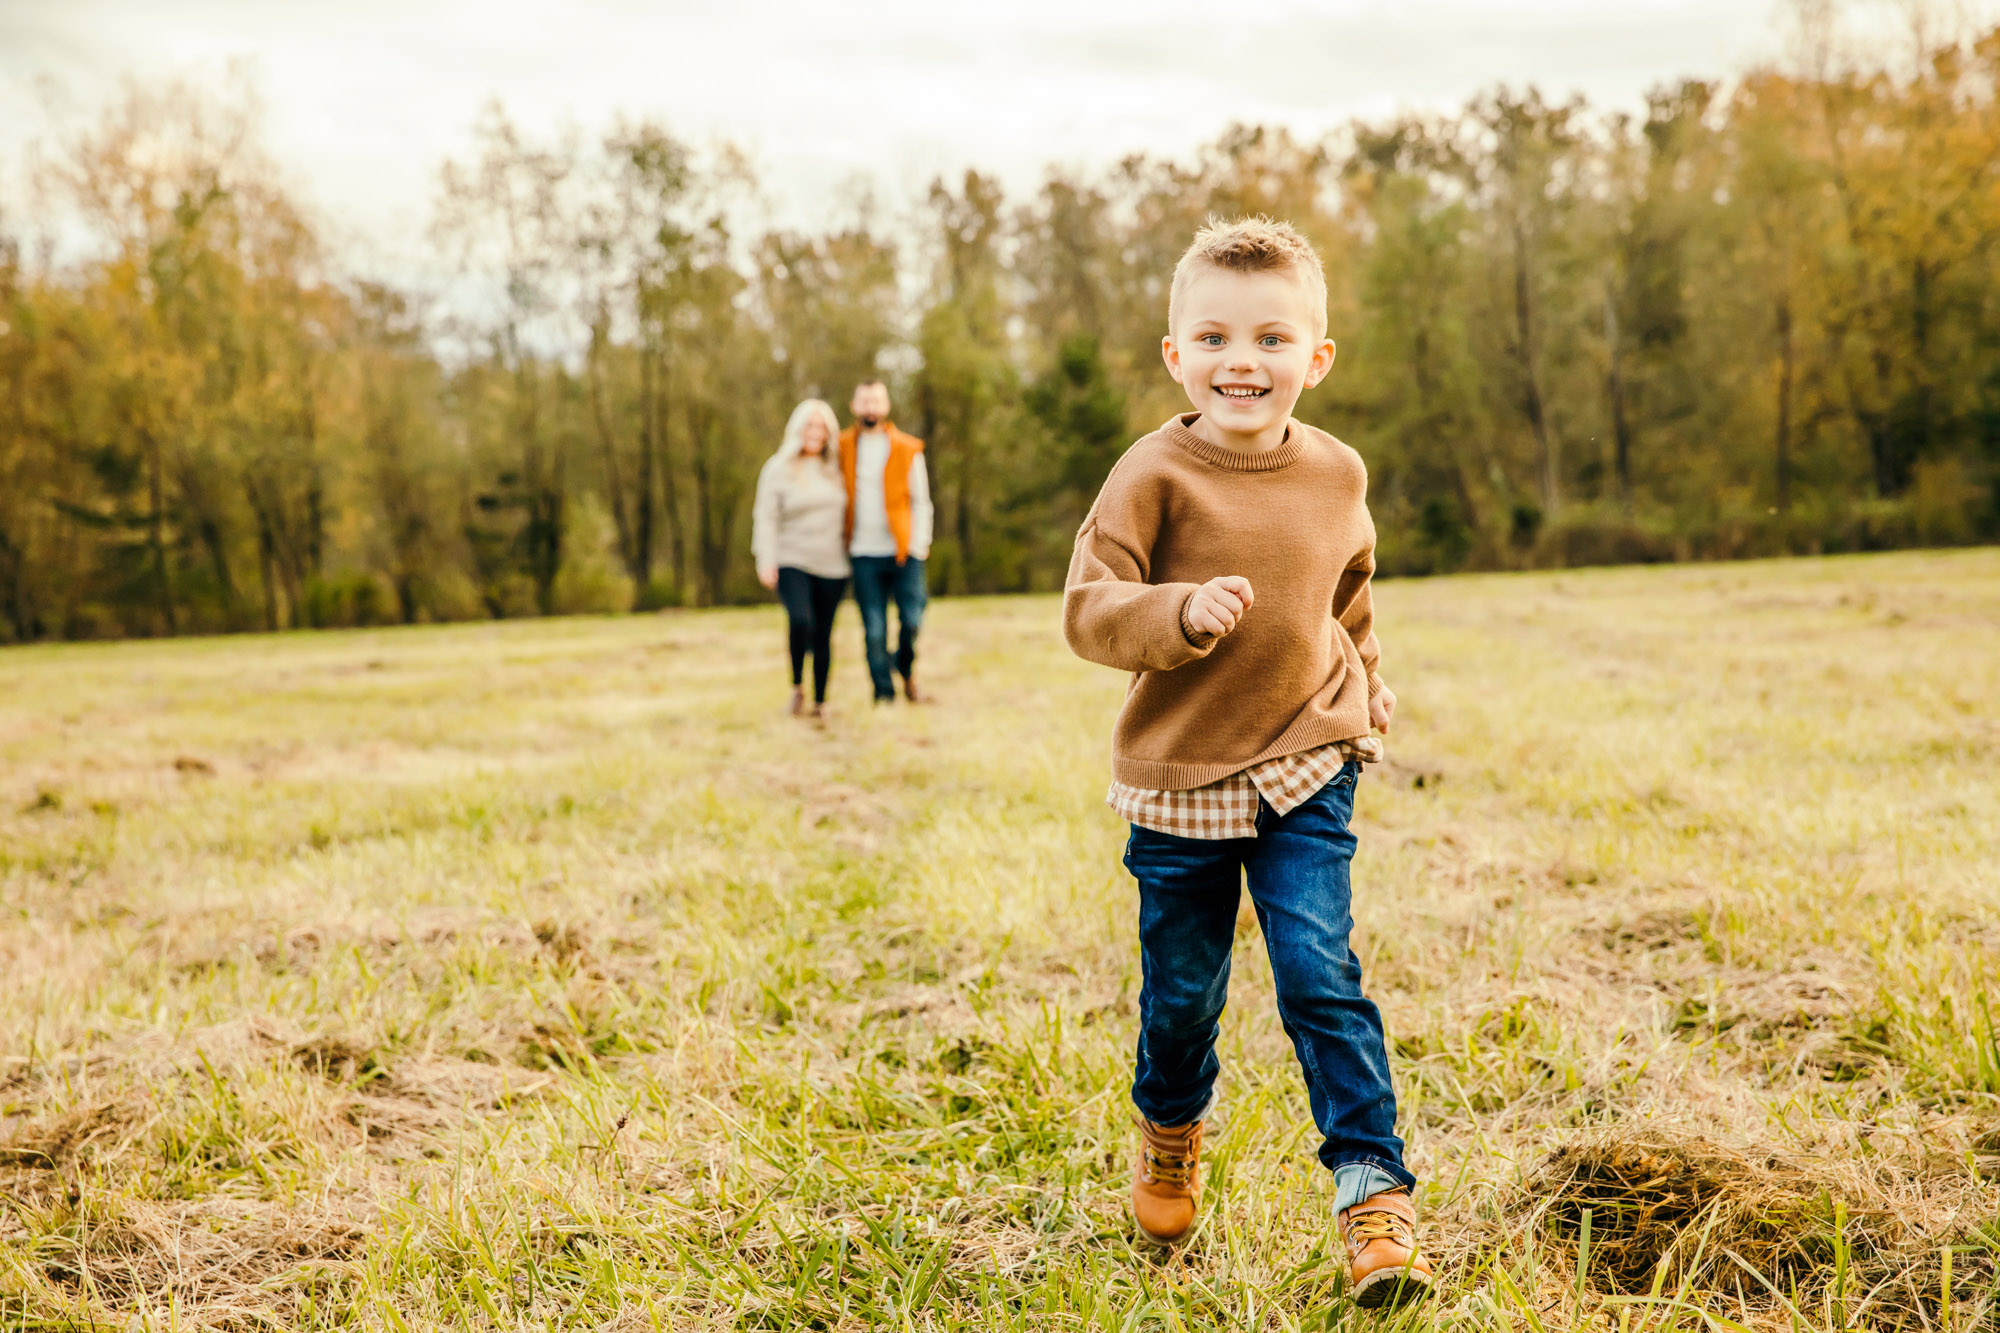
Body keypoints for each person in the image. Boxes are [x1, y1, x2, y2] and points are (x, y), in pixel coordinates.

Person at [1061, 219, 1429, 1307]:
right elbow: (1087, 611)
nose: (1242, 359)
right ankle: (1169, 1133)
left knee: (1320, 974)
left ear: (1313, 359)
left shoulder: (1336, 472)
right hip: (1180, 777)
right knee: (1182, 996)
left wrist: (1363, 678)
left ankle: (1373, 1198)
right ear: (1175, 354)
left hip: (1309, 760)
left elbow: (1345, 599)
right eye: (1214, 335)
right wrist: (1175, 609)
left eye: (1271, 337)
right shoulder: (1151, 473)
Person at [752, 399, 850, 718]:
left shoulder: (837, 468)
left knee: (823, 633)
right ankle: (797, 687)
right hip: (792, 557)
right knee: (800, 620)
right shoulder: (778, 468)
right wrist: (765, 559)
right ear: (797, 428)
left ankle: (820, 702)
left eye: (821, 426)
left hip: (834, 563)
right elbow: (765, 517)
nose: (815, 432)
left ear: (829, 432)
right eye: (809, 425)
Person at [839, 381, 932, 704]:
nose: (870, 408)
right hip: (862, 553)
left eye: (876, 401)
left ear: (886, 405)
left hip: (904, 552)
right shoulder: (841, 447)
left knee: (912, 620)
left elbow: (921, 501)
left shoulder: (907, 448)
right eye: (864, 401)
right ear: (854, 405)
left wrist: (920, 543)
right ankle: (883, 694)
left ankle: (905, 668)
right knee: (874, 630)